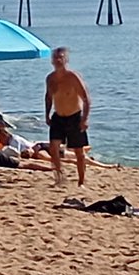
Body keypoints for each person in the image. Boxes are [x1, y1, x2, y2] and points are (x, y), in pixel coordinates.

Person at [44, 47, 91, 187]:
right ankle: (59, 177)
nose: (58, 60)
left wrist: (85, 119)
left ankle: (81, 181)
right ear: (52, 60)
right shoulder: (50, 78)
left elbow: (86, 98)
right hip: (58, 116)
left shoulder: (73, 77)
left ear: (66, 60)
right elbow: (48, 97)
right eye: (55, 58)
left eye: (61, 58)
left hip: (74, 116)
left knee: (79, 152)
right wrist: (46, 115)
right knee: (53, 147)